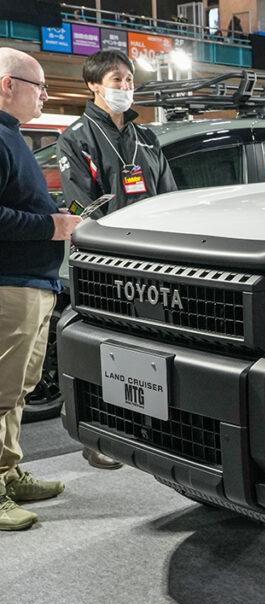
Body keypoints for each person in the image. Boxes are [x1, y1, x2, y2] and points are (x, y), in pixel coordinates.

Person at [57, 49, 178, 470]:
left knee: (151, 350)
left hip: (153, 260)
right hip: (105, 262)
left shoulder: (146, 137)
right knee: (104, 350)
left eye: (128, 80)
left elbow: (168, 196)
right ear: (93, 85)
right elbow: (79, 205)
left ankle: (150, 432)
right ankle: (99, 437)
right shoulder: (77, 137)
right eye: (116, 80)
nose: (125, 87)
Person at [0, 48, 82, 531]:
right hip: (9, 284)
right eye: (40, 87)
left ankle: (8, 473)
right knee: (0, 392)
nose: (46, 96)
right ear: (7, 85)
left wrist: (51, 218)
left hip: (30, 282)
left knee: (15, 392)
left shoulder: (12, 136)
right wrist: (50, 226)